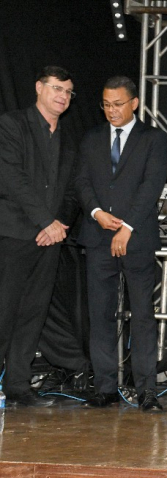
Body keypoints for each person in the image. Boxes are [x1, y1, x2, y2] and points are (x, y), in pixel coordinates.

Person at [76, 75, 167, 411]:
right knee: (99, 314)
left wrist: (127, 227)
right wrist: (97, 212)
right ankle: (105, 387)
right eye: (106, 105)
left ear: (134, 103)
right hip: (98, 236)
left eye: (117, 104)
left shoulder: (153, 139)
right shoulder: (92, 138)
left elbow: (152, 185)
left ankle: (146, 390)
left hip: (137, 238)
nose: (111, 111)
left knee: (142, 314)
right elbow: (82, 181)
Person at [0, 65, 78, 407]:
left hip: (51, 239)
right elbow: (11, 179)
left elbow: (73, 189)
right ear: (39, 88)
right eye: (57, 88)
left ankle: (18, 385)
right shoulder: (12, 124)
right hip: (15, 234)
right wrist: (46, 221)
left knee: (33, 313)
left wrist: (59, 223)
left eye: (68, 92)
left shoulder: (67, 137)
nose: (63, 96)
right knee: (4, 311)